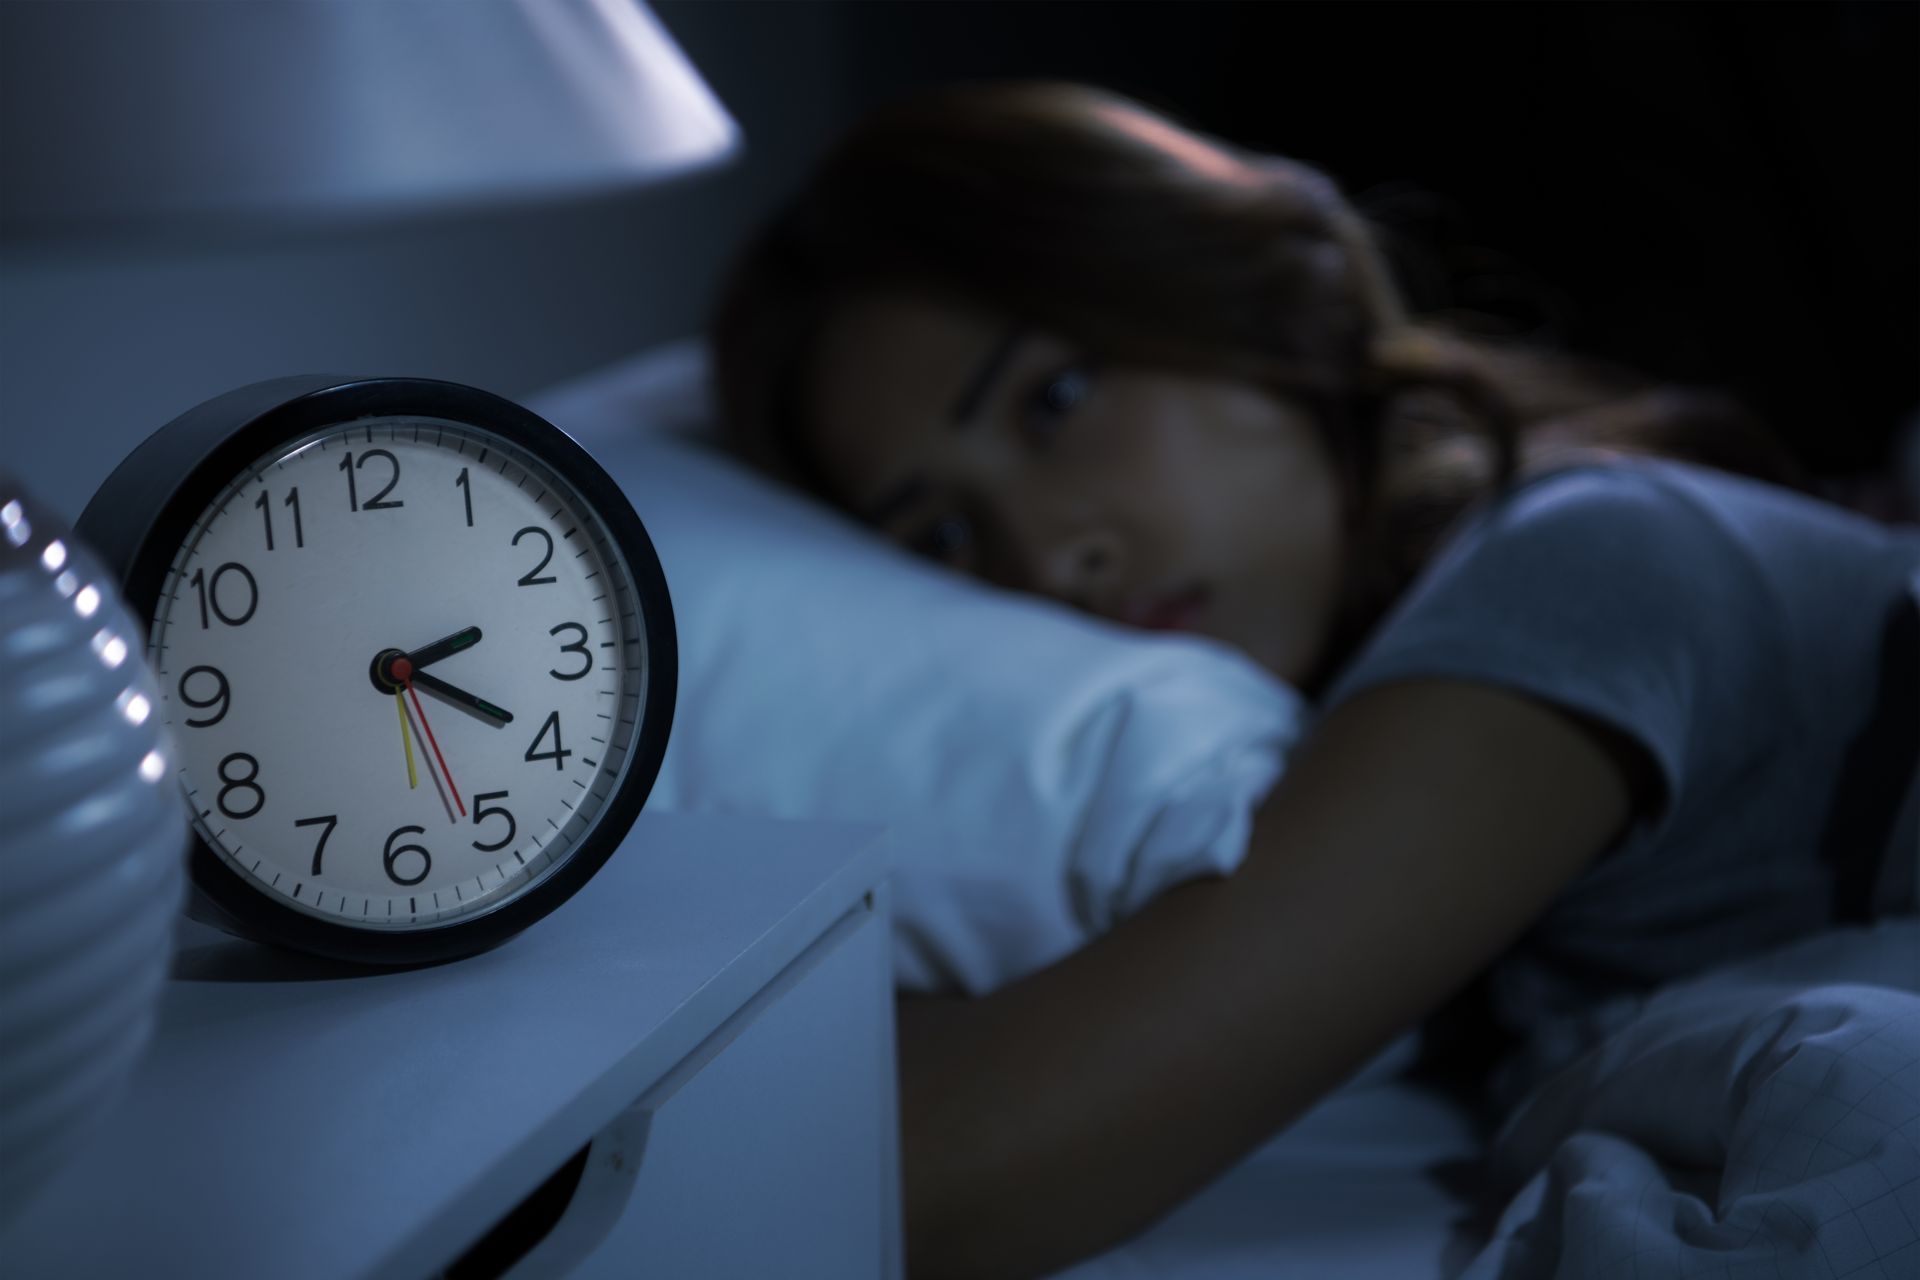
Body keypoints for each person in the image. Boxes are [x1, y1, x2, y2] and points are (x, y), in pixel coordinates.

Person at [705, 80, 1920, 1279]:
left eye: (1054, 400)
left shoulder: (1584, 561)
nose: (1049, 550)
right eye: (947, 539)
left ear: (1248, 297)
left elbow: (960, 1175)